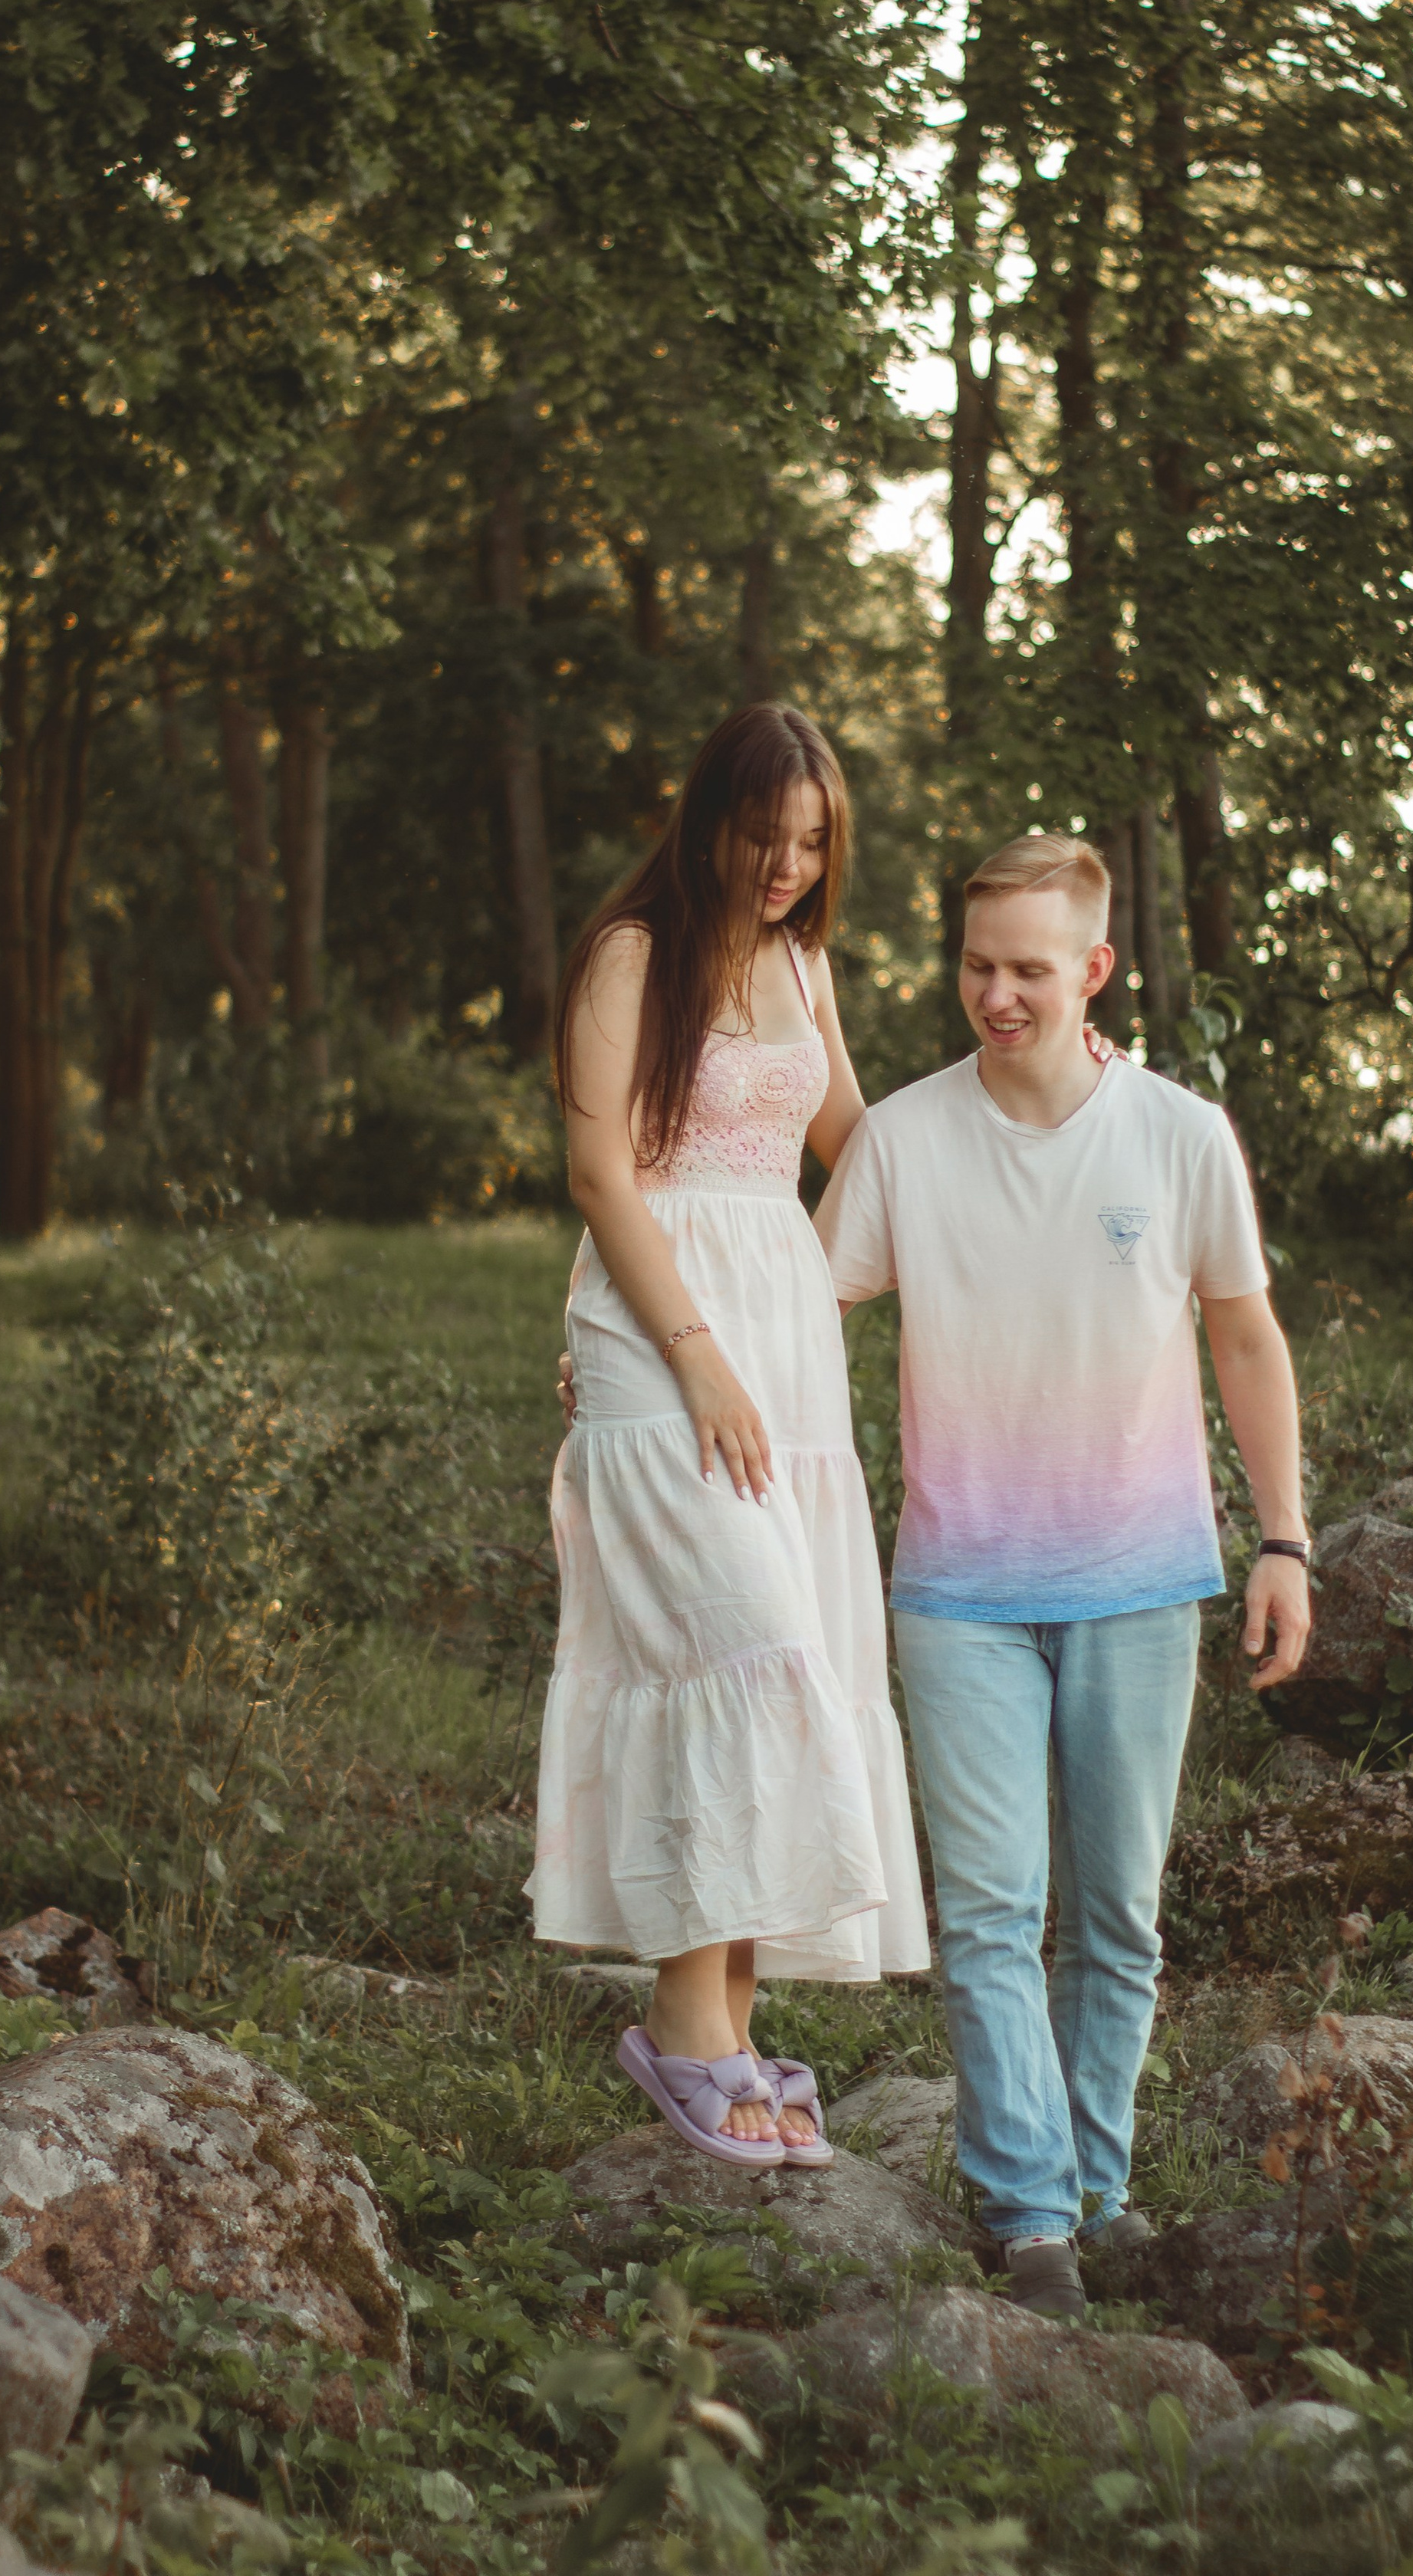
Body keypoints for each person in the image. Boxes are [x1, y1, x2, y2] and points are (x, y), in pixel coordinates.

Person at [813, 832, 1309, 2317]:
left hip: (1141, 1578)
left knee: (1114, 1919)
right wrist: (649, 1356)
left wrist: (1282, 1539)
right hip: (955, 1586)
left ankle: (1100, 2185)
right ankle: (1030, 2219)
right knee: (984, 1913)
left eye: (1027, 968)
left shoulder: (1174, 1135)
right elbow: (790, 1308)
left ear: (1093, 969)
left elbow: (1242, 1336)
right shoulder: (898, 1140)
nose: (995, 994)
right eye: (976, 964)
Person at [524, 703, 928, 2167]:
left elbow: (864, 1151)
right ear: (709, 824)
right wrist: (692, 1354)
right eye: (768, 836)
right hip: (662, 1330)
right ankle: (683, 2037)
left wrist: (1047, 1072)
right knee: (735, 1649)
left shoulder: (804, 963)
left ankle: (733, 2028)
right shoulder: (632, 954)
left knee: (799, 1652)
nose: (789, 863)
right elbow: (597, 1168)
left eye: (815, 841)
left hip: (787, 1336)